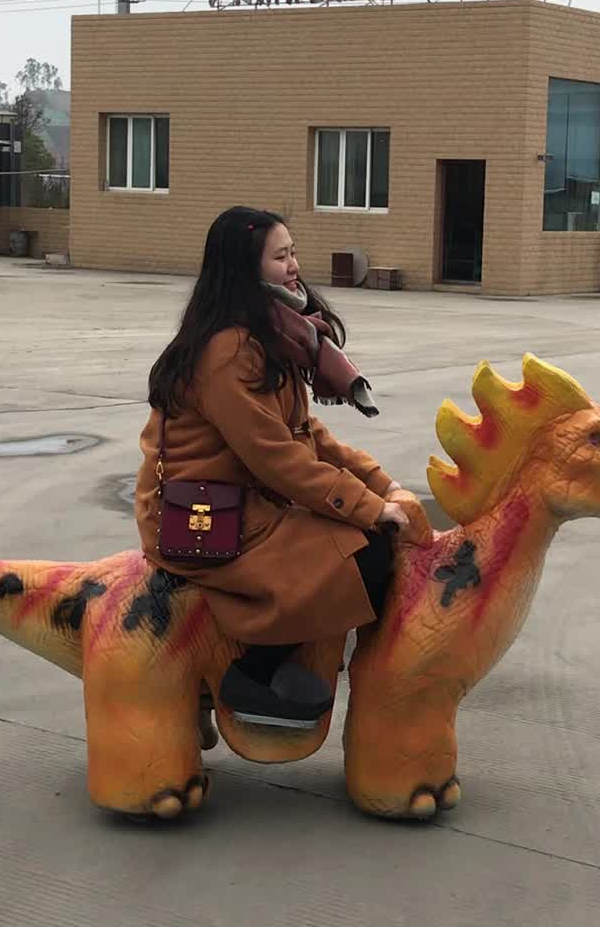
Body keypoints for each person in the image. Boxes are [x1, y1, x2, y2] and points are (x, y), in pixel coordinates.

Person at [137, 205, 422, 728]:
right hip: (207, 518)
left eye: (293, 253)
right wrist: (368, 507)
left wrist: (382, 485)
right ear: (246, 268)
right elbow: (277, 458)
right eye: (281, 256)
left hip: (250, 502)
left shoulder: (271, 335)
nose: (294, 266)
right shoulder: (227, 351)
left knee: (368, 535)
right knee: (366, 553)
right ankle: (248, 676)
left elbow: (306, 434)